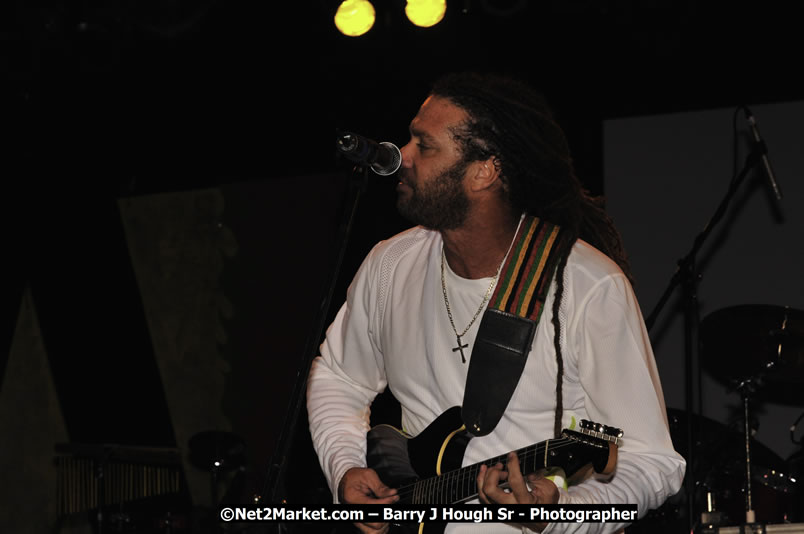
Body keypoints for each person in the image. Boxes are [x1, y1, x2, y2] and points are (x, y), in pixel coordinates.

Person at [306, 71, 685, 533]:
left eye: (424, 145)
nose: (400, 156)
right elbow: (339, 377)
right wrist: (344, 465)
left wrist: (564, 513)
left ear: (484, 171)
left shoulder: (587, 286)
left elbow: (652, 462)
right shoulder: (390, 264)